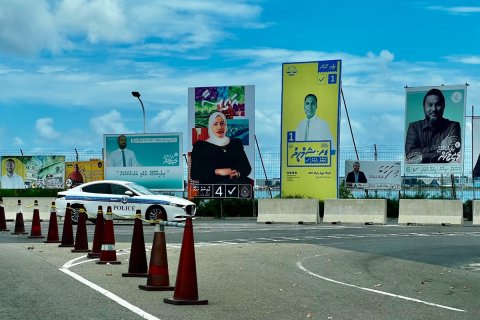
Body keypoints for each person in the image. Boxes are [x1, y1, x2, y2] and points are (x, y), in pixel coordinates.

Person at [191, 112, 252, 184]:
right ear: (210, 126)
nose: (220, 127)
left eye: (222, 123)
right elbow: (195, 174)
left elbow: (247, 168)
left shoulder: (235, 144)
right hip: (212, 189)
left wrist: (238, 173)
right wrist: (217, 171)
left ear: (226, 125)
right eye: (215, 124)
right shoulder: (200, 146)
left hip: (235, 187)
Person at [405, 88, 461, 163]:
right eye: (430, 105)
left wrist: (422, 156)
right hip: (418, 173)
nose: (434, 109)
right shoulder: (414, 127)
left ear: (443, 107)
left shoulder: (453, 126)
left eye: (438, 105)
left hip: (444, 173)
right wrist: (440, 146)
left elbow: (451, 155)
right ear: (424, 107)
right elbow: (410, 155)